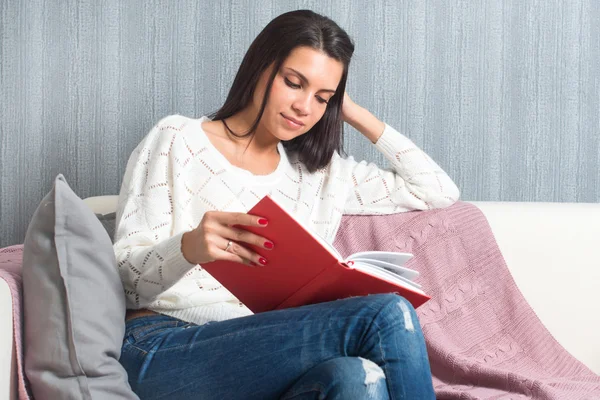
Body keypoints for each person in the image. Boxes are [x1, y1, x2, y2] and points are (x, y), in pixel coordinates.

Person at [114, 9, 459, 400]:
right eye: (294, 83)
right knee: (388, 314)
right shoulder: (178, 138)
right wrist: (188, 248)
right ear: (261, 66)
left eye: (323, 98)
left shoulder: (318, 174)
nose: (305, 107)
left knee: (358, 377)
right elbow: (125, 282)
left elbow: (436, 189)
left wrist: (352, 111)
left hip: (268, 353)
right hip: (163, 346)